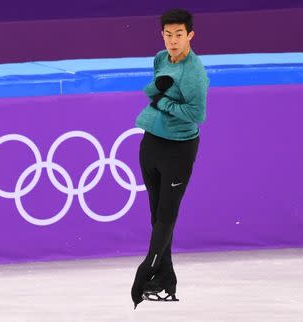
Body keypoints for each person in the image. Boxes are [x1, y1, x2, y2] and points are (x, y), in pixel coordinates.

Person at [131, 8, 209, 309]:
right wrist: (157, 94)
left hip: (178, 149)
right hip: (151, 142)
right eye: (168, 34)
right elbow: (150, 91)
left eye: (178, 34)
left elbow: (197, 115)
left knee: (166, 215)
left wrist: (163, 102)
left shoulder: (194, 74)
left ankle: (148, 268)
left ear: (190, 35)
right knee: (156, 215)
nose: (172, 41)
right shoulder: (160, 58)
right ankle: (166, 281)